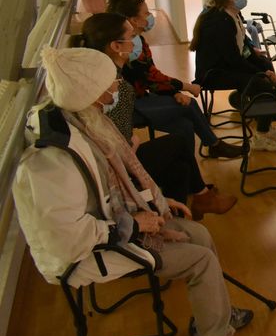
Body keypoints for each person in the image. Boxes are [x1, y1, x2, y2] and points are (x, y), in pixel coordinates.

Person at [14, 46, 270, 336]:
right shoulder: (55, 160)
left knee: (199, 234)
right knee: (201, 260)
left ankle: (212, 314)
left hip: (110, 228)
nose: (116, 87)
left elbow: (112, 190)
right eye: (110, 82)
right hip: (87, 253)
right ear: (91, 92)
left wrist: (156, 201)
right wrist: (135, 223)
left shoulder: (81, 122)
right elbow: (67, 238)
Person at [72, 13, 236, 220]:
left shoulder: (103, 72)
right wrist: (132, 141)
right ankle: (200, 197)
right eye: (131, 36)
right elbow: (119, 137)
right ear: (116, 46)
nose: (136, 41)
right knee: (178, 142)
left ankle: (182, 212)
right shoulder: (114, 84)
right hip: (116, 166)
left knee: (181, 163)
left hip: (110, 159)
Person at [106, 0, 242, 159]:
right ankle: (214, 145)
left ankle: (192, 170)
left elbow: (151, 77)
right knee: (190, 105)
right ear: (134, 20)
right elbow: (151, 77)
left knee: (184, 126)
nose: (150, 16)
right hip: (133, 106)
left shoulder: (138, 42)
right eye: (146, 13)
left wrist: (175, 92)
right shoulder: (130, 49)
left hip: (140, 98)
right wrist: (185, 87)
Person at [191, 0, 276, 151]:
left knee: (266, 66)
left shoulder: (234, 15)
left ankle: (265, 124)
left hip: (227, 66)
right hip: (214, 73)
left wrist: (265, 69)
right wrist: (261, 73)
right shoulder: (220, 22)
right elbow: (233, 58)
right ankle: (261, 135)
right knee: (262, 84)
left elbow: (245, 49)